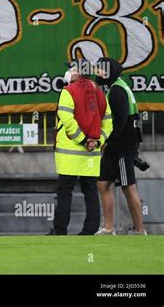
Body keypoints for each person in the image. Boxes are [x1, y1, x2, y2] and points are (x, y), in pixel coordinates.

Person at [50, 59, 112, 236]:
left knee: (64, 192)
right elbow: (108, 123)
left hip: (69, 154)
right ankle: (90, 230)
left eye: (72, 69)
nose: (69, 72)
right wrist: (97, 141)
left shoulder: (68, 92)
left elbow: (68, 121)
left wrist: (83, 140)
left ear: (78, 73)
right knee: (90, 192)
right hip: (91, 155)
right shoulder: (99, 93)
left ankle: (60, 230)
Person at [94, 57, 147, 235]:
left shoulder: (117, 90)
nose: (97, 73)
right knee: (102, 184)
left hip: (122, 146)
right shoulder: (116, 87)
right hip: (115, 146)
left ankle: (140, 230)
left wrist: (106, 140)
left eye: (100, 70)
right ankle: (109, 228)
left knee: (128, 186)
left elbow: (121, 120)